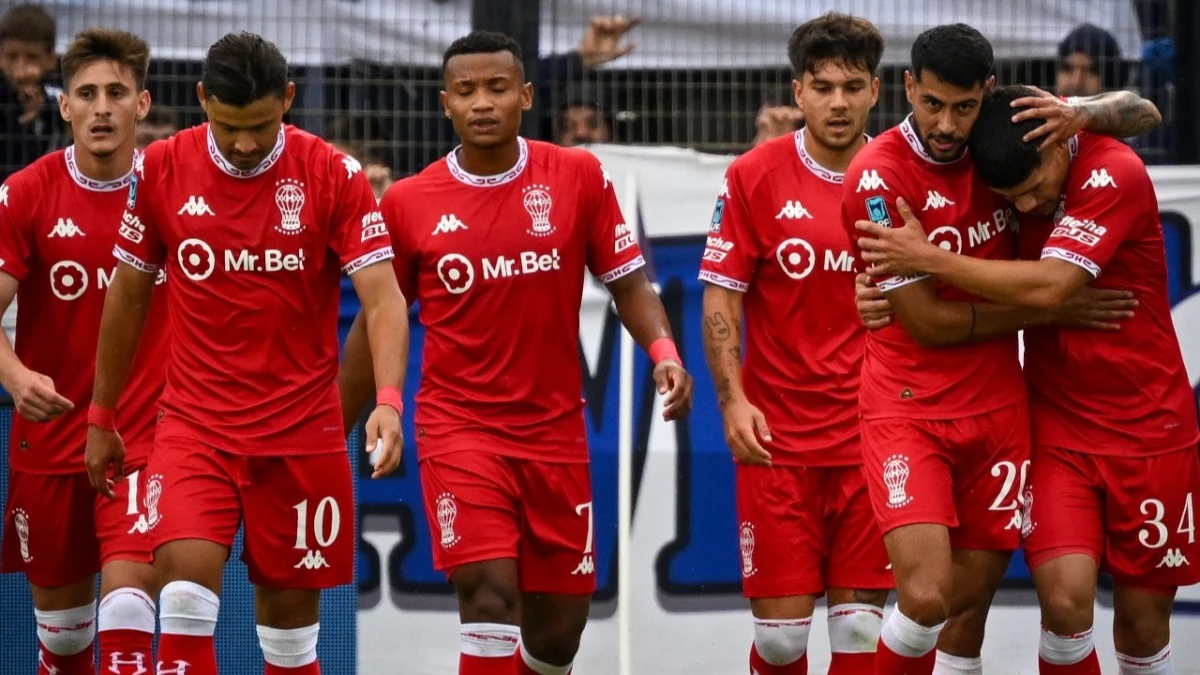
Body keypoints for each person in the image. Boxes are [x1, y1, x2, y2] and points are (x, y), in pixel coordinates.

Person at [339, 30, 694, 675]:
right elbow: (378, 316)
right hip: (459, 430)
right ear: (446, 103)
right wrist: (347, 418)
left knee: (558, 637)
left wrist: (664, 349)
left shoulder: (577, 176)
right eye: (467, 91)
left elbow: (629, 282)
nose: (483, 102)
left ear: (525, 96)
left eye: (497, 88)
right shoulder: (411, 202)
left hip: (555, 435)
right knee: (489, 596)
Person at [839, 24, 1161, 675]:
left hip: (999, 409)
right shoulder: (878, 177)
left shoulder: (1010, 140)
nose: (947, 124)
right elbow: (927, 322)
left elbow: (1144, 113)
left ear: (987, 92)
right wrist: (1051, 304)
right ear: (907, 87)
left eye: (962, 106)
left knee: (968, 608)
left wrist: (1082, 112)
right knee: (927, 595)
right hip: (909, 404)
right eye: (932, 104)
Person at [85, 31, 409, 675]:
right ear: (203, 99)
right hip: (195, 428)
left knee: (290, 644)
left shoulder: (332, 175)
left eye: (261, 126)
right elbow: (126, 298)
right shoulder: (161, 168)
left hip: (300, 436)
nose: (242, 143)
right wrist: (102, 415)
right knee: (182, 596)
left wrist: (391, 401)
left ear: (288, 99)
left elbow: (384, 299)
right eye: (228, 125)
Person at [698, 13, 891, 675]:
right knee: (781, 640)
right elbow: (721, 297)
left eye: (853, 86)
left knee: (863, 633)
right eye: (824, 86)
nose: (838, 101)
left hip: (877, 435)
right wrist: (732, 402)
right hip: (778, 441)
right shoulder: (754, 175)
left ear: (876, 91)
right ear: (798, 92)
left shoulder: (900, 174)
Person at [0, 28, 166, 675]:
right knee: (66, 644)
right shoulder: (26, 193)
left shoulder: (170, 191)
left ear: (142, 104)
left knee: (127, 611)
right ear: (64, 106)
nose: (102, 107)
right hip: (48, 443)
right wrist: (14, 375)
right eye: (87, 94)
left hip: (143, 441)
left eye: (116, 93)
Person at [0, 3, 66, 179]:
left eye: (32, 57)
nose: (20, 69)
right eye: (12, 57)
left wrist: (37, 117)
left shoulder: (58, 102)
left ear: (51, 60)